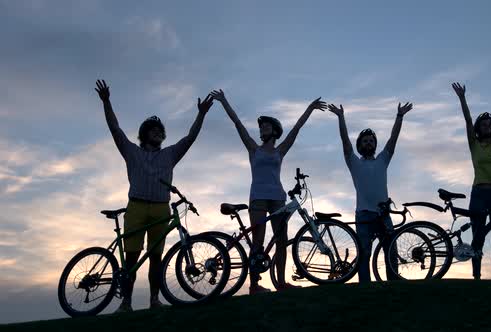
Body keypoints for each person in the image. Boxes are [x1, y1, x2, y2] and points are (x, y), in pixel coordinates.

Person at [94, 79, 214, 312]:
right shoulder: (131, 151)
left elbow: (190, 137)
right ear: (144, 134)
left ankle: (154, 300)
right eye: (153, 130)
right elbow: (115, 129)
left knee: (156, 259)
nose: (158, 133)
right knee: (131, 259)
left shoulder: (170, 154)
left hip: (161, 208)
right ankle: (125, 303)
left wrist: (201, 115)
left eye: (160, 131)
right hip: (136, 207)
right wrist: (106, 102)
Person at [210, 89, 326, 294]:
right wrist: (224, 101)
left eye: (266, 125)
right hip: (257, 198)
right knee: (258, 241)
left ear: (274, 131)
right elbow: (238, 124)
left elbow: (296, 129)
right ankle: (254, 285)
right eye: (261, 126)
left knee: (281, 241)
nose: (262, 128)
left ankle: (280, 283)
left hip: (278, 198)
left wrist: (309, 109)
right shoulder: (254, 149)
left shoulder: (280, 150)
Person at [327, 101, 413, 283]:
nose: (369, 143)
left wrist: (399, 117)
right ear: (360, 145)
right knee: (364, 255)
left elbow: (393, 140)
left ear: (375, 144)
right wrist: (341, 118)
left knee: (391, 251)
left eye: (371, 141)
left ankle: (394, 285)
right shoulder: (354, 162)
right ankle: (365, 288)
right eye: (365, 141)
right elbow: (345, 141)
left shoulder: (383, 159)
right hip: (364, 215)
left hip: (384, 214)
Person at [451, 81, 491, 280]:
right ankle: (477, 279)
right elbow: (467, 119)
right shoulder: (474, 145)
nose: (488, 126)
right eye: (484, 125)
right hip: (479, 194)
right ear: (479, 130)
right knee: (477, 240)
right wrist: (462, 98)